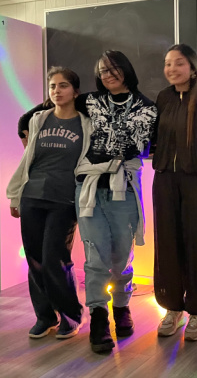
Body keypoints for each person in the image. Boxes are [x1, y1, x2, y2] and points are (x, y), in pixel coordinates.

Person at [18, 51, 157, 353]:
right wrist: (23, 126)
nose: (108, 75)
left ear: (126, 70)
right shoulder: (90, 101)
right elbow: (50, 106)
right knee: (94, 258)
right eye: (103, 71)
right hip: (89, 189)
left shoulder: (146, 107)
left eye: (113, 69)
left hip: (123, 189)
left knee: (122, 257)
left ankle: (121, 306)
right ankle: (98, 317)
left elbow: (135, 146)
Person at [7, 67, 91, 340]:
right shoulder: (38, 119)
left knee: (55, 258)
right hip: (32, 195)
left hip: (64, 198)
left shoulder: (86, 123)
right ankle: (45, 316)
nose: (57, 90)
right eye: (53, 86)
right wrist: (16, 195)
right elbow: (28, 160)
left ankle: (71, 314)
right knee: (34, 258)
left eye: (63, 85)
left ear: (75, 91)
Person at [153, 44, 197, 341]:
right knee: (167, 242)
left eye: (178, 63)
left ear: (192, 67)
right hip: (166, 180)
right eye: (168, 63)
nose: (172, 69)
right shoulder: (163, 98)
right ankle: (172, 307)